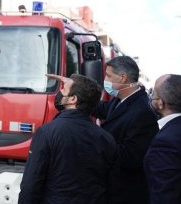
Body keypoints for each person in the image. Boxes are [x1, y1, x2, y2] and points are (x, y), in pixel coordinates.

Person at [19, 74, 116, 204]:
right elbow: (110, 184)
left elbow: (31, 183)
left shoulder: (46, 132)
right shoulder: (106, 138)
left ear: (73, 99)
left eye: (63, 90)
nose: (59, 92)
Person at [94, 56, 159, 204]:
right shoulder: (119, 100)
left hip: (126, 193)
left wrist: (99, 135)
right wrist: (74, 87)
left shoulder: (142, 112)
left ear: (123, 78)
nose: (105, 79)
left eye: (108, 75)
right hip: (112, 189)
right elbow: (97, 108)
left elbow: (131, 158)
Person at [144, 74, 181, 203]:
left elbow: (164, 195)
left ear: (161, 103)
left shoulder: (166, 142)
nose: (151, 96)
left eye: (154, 93)